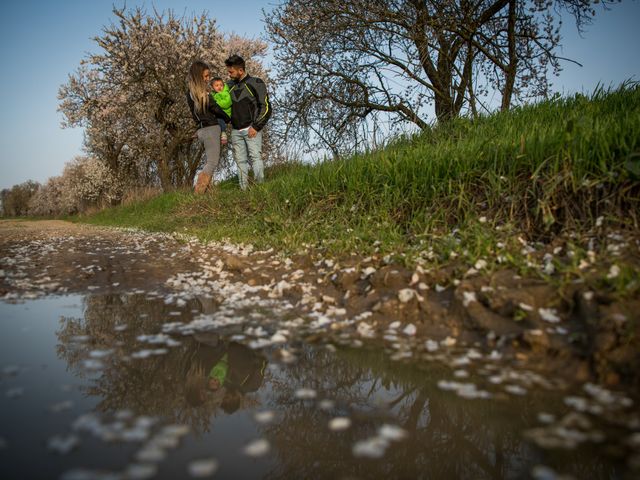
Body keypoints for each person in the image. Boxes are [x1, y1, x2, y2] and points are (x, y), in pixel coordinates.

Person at [225, 54, 272, 190]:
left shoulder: (256, 83)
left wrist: (256, 127)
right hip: (235, 131)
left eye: (231, 72)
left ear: (240, 70)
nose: (229, 74)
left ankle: (260, 188)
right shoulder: (228, 86)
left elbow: (266, 107)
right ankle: (243, 190)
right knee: (240, 161)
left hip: (252, 129)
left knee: (255, 157)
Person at [186, 61, 230, 194]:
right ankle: (198, 192)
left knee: (210, 160)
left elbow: (195, 115)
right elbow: (214, 108)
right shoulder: (204, 93)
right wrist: (227, 118)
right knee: (212, 162)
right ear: (199, 76)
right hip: (211, 129)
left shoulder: (190, 93)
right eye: (205, 76)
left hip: (201, 130)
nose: (208, 79)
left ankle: (208, 193)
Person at [210, 77, 232, 145]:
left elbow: (227, 102)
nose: (219, 87)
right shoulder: (213, 94)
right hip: (218, 112)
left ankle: (223, 133)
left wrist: (216, 104)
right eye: (216, 85)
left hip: (225, 113)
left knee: (220, 119)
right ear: (213, 87)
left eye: (221, 85)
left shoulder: (225, 93)